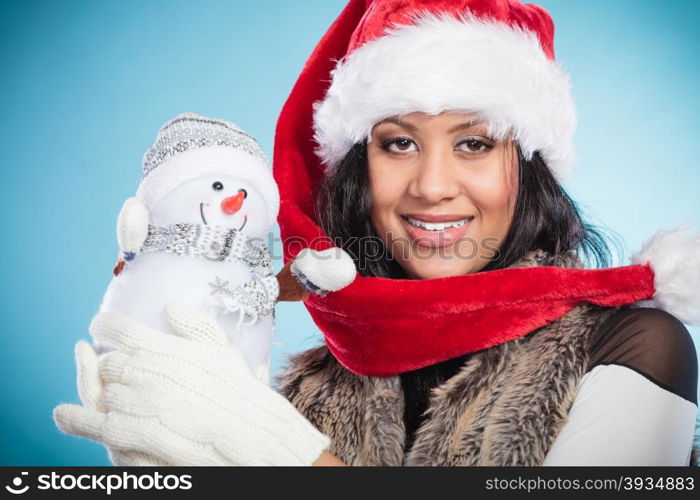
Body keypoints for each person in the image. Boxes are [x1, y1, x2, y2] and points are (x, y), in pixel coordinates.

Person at [54, 0, 700, 466]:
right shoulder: (321, 379)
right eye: (398, 144)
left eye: (473, 143)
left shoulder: (637, 346)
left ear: (527, 169)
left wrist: (284, 457)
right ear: (362, 168)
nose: (430, 186)